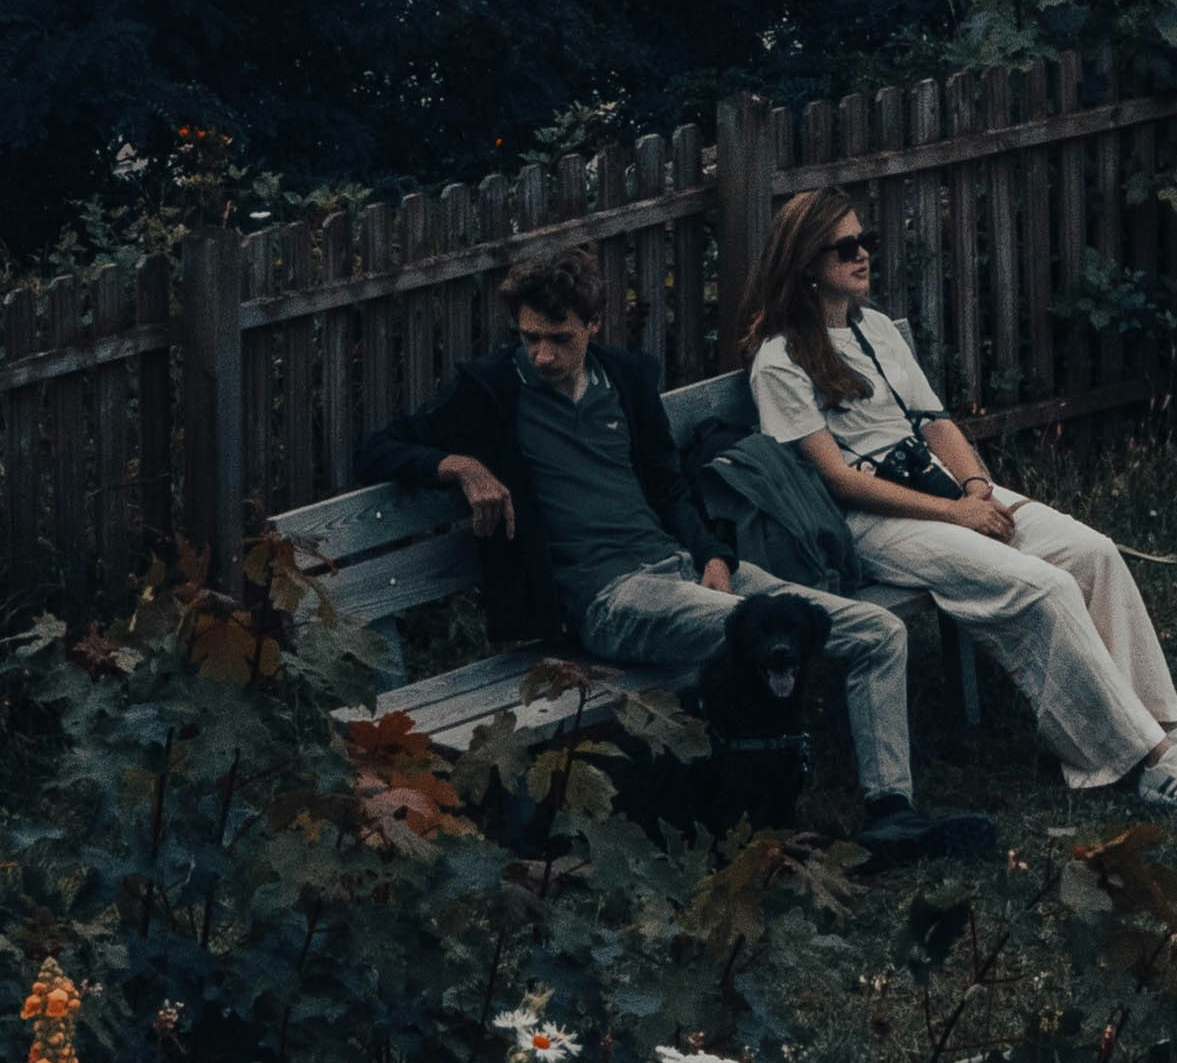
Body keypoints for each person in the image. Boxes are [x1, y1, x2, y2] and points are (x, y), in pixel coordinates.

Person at [358, 247, 988, 863]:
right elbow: (381, 447)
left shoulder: (626, 380)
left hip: (682, 570)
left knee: (876, 631)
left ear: (593, 326)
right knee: (760, 634)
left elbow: (668, 486)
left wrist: (712, 555)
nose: (541, 354)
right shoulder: (492, 388)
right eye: (529, 338)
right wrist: (461, 465)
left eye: (558, 337)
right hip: (609, 599)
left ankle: (891, 814)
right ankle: (753, 821)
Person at [745, 192, 1177, 818]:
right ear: (805, 265)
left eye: (864, 239)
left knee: (1093, 552)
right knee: (1043, 587)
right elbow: (838, 481)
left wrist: (977, 488)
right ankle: (1146, 762)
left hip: (937, 488)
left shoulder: (872, 328)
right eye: (845, 247)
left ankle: (1168, 725)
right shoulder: (780, 361)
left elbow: (936, 423)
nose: (863, 254)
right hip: (872, 523)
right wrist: (957, 515)